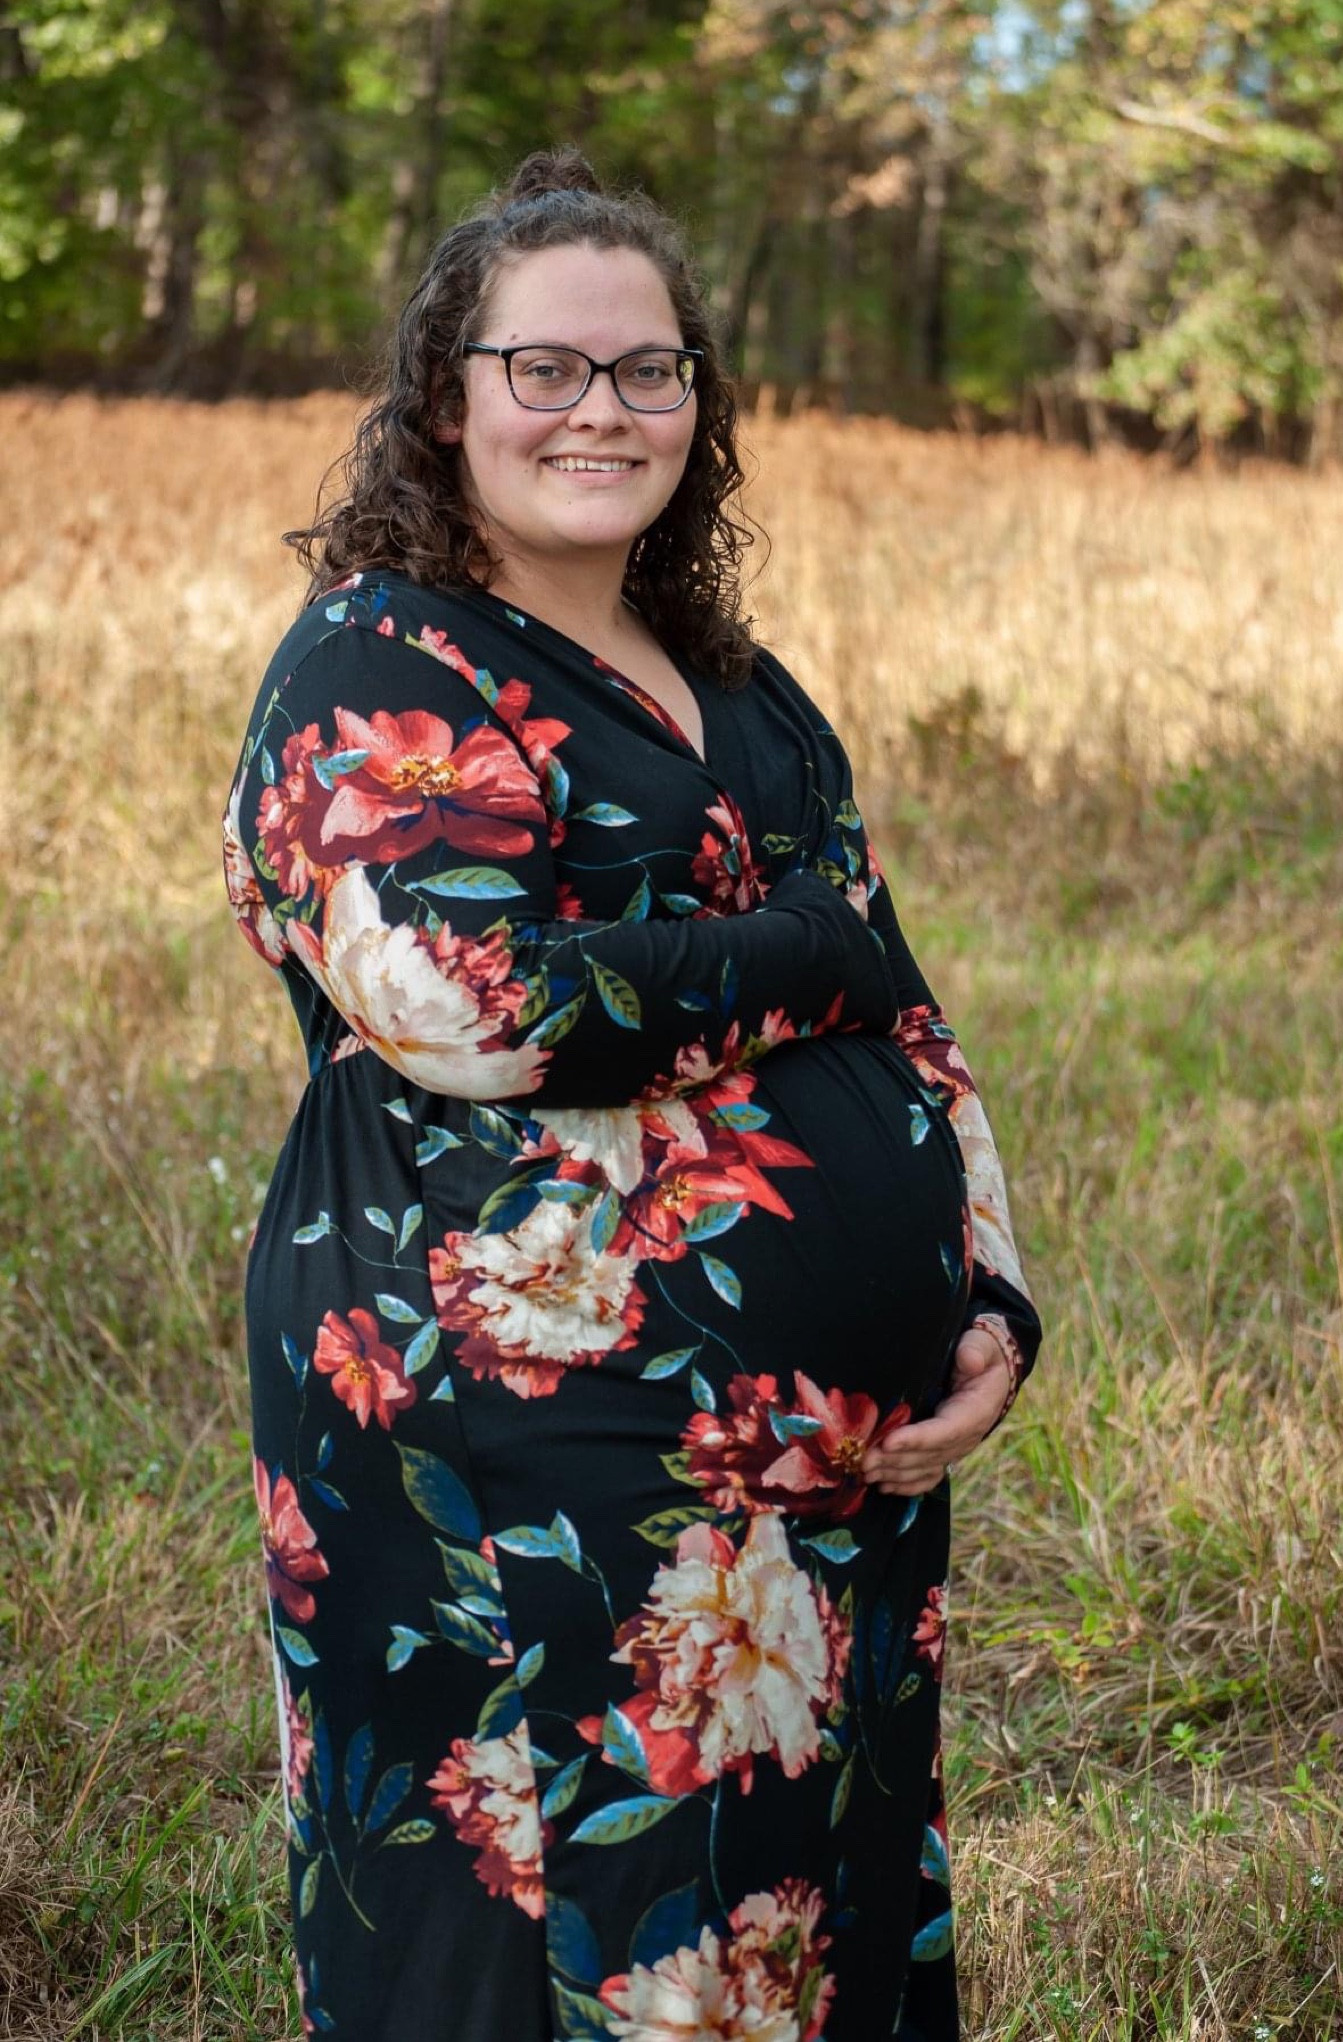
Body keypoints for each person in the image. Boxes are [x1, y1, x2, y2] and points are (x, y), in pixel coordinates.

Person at [221, 144, 1041, 2042]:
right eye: (547, 366)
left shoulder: (735, 679)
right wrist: (796, 951)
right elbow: (471, 1001)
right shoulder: (378, 659)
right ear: (446, 393)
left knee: (806, 1897)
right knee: (564, 1900)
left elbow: (905, 1010)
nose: (603, 408)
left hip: (816, 1449)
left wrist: (988, 1297)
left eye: (649, 369)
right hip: (520, 1435)